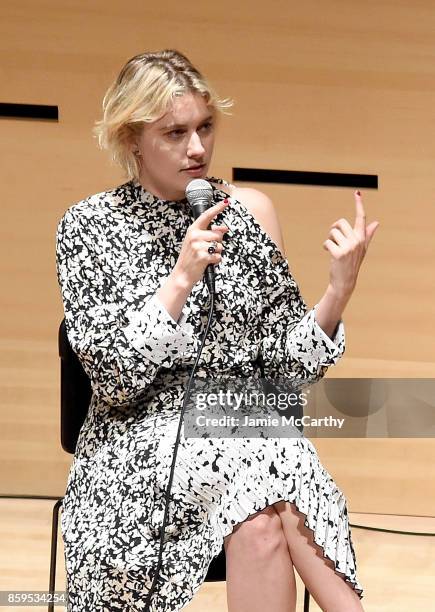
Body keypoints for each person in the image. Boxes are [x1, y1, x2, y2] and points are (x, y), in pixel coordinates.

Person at [55, 49, 378, 612]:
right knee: (267, 466)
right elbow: (112, 379)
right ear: (132, 139)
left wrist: (336, 292)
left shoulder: (246, 213)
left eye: (206, 127)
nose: (198, 148)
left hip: (242, 429)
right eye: (175, 133)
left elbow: (287, 371)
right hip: (138, 443)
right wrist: (179, 281)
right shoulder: (89, 226)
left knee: (259, 517)